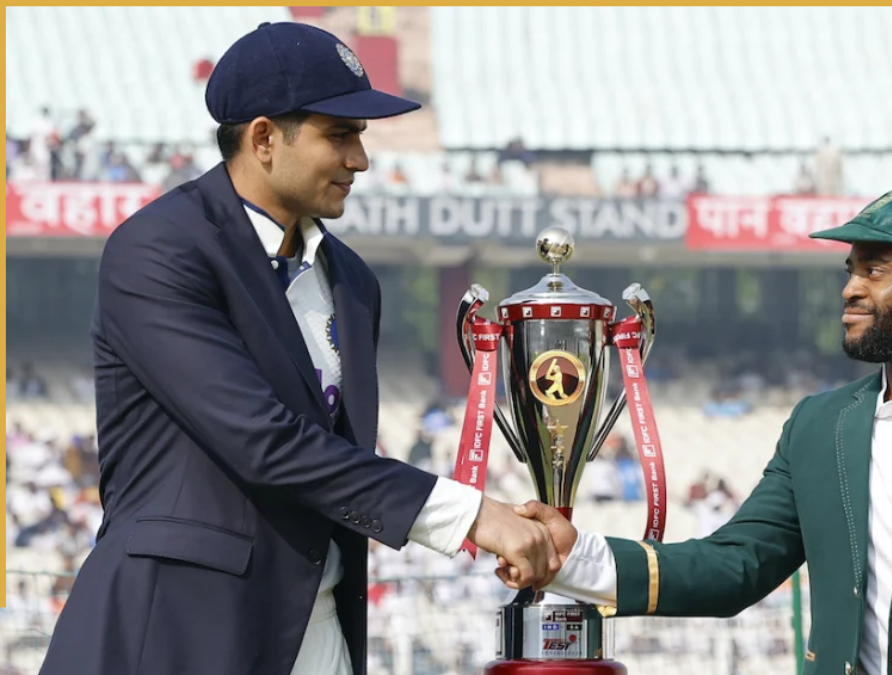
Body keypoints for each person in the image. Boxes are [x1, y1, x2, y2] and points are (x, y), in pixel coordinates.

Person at [38, 22, 557, 675]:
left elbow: (338, 455)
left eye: (361, 137)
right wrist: (470, 514)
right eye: (339, 135)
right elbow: (264, 441)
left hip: (319, 627)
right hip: (175, 633)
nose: (360, 160)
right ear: (263, 138)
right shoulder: (158, 250)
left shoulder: (354, 281)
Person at [504, 189, 892, 675]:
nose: (850, 289)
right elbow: (735, 566)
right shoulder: (818, 424)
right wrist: (573, 555)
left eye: (876, 270)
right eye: (850, 270)